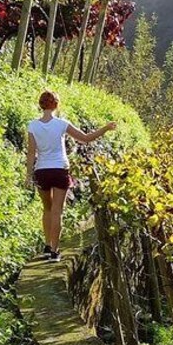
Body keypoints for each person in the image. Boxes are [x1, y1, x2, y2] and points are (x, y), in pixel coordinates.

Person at [26, 91, 116, 261]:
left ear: (41, 105)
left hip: (41, 170)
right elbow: (86, 138)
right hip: (59, 169)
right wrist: (105, 128)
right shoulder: (61, 124)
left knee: (47, 208)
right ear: (56, 105)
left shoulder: (33, 126)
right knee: (57, 211)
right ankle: (54, 250)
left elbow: (31, 153)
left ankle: (46, 246)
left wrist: (28, 175)